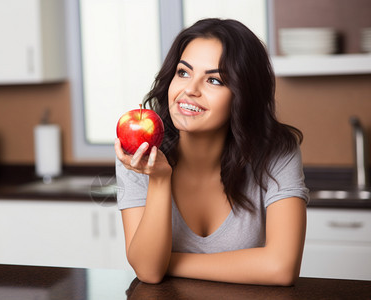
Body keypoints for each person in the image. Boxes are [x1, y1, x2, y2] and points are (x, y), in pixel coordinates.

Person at [114, 18, 309, 286]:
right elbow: (148, 272)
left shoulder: (277, 151)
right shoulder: (140, 154)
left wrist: (167, 260)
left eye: (214, 80)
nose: (189, 90)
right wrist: (159, 179)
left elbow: (281, 268)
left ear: (243, 95)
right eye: (183, 73)